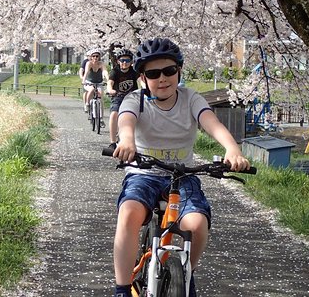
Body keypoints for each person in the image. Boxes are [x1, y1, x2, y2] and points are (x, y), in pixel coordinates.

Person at [111, 37, 250, 297]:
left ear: (179, 72)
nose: (162, 78)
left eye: (169, 71)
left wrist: (232, 149)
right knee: (129, 214)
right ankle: (121, 288)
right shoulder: (135, 100)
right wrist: (127, 141)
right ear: (143, 79)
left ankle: (185, 274)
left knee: (197, 224)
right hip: (144, 173)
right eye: (153, 73)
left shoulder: (190, 98)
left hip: (183, 175)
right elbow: (126, 121)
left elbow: (211, 123)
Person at [107, 49, 139, 151]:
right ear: (118, 61)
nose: (125, 63)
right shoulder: (115, 72)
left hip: (132, 97)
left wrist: (145, 88)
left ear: (131, 62)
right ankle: (112, 142)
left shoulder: (134, 72)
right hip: (118, 96)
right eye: (122, 60)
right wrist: (110, 90)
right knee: (114, 114)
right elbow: (110, 83)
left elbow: (141, 81)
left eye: (127, 60)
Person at [82, 48, 109, 113]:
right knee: (91, 90)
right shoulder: (89, 63)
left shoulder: (101, 63)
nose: (95, 58)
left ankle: (101, 118)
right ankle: (87, 104)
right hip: (89, 82)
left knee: (101, 98)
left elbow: (105, 72)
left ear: (99, 57)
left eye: (97, 56)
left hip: (99, 82)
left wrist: (108, 80)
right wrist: (83, 80)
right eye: (93, 56)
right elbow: (86, 72)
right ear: (91, 57)